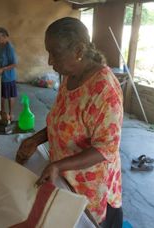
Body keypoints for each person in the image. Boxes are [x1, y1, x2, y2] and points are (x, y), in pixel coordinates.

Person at [15, 17, 123, 227]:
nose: (49, 61)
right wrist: (35, 140)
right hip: (68, 180)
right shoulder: (69, 78)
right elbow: (63, 123)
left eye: (54, 53)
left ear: (79, 50)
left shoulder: (104, 89)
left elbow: (106, 149)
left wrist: (58, 165)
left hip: (93, 190)